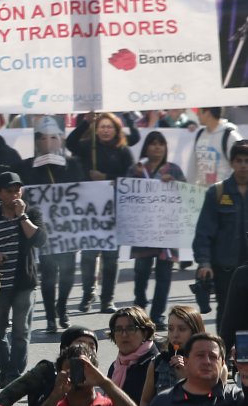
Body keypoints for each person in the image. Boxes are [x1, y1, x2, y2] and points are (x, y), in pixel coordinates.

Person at [0, 171, 47, 388]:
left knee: (21, 331)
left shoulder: (31, 214)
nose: (15, 194)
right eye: (9, 191)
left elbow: (39, 240)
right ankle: (8, 369)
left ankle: (13, 375)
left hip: (24, 283)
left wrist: (22, 216)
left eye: (18, 190)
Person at [66, 111, 135, 313]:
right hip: (90, 211)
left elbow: (129, 177)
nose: (105, 130)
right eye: (102, 126)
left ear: (116, 130)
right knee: (88, 256)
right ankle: (88, 294)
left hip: (113, 212)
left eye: (109, 127)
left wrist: (106, 176)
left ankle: (107, 300)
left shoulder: (122, 151)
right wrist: (85, 123)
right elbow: (71, 143)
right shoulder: (88, 147)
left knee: (111, 258)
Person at [20, 117, 85, 331]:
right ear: (36, 142)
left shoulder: (73, 164)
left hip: (67, 230)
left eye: (53, 137)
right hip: (44, 230)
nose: (48, 142)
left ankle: (62, 309)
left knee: (67, 273)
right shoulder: (27, 166)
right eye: (42, 138)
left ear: (61, 140)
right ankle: (49, 316)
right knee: (48, 274)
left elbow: (84, 192)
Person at [126, 131, 187, 326]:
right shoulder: (136, 170)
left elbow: (186, 195)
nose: (157, 147)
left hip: (166, 232)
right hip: (143, 232)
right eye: (153, 144)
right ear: (146, 147)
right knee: (141, 274)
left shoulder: (174, 170)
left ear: (165, 148)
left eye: (161, 144)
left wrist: (175, 184)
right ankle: (140, 310)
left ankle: (158, 314)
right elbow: (126, 195)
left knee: (164, 276)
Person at [192, 140, 248, 328]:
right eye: (239, 160)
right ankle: (222, 355)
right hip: (226, 271)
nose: (243, 165)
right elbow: (203, 232)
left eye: (247, 161)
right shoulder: (217, 192)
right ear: (232, 163)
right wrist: (205, 263)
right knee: (226, 314)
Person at [141, 305, 204, 406]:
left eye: (182, 329)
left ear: (195, 332)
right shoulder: (158, 363)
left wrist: (187, 377)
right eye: (170, 329)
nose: (175, 335)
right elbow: (145, 401)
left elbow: (212, 405)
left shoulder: (209, 363)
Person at [192, 106, 243, 186]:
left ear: (208, 113)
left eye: (199, 111)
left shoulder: (230, 137)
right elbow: (193, 166)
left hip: (225, 194)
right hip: (202, 193)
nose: (197, 114)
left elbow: (243, 165)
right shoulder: (200, 135)